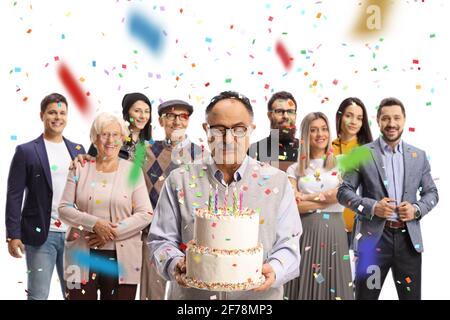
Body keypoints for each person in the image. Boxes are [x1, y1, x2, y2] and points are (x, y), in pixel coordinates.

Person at [148, 91, 302, 299]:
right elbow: (160, 240)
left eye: (238, 129)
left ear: (251, 130)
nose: (228, 139)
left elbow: (289, 244)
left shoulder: (277, 182)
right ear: (206, 130)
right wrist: (175, 264)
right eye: (219, 129)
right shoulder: (180, 180)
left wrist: (274, 269)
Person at [337, 97, 439, 300]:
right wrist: (372, 207)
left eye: (396, 118)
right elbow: (343, 192)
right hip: (373, 242)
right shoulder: (361, 154)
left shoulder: (418, 156)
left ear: (404, 120)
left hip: (408, 242)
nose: (391, 124)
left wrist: (416, 209)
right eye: (386, 118)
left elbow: (432, 193)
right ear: (378, 120)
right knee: (366, 297)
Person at [59, 112, 153, 300]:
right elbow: (64, 209)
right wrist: (95, 224)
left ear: (122, 138)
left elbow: (145, 213)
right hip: (80, 255)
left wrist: (109, 232)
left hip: (122, 257)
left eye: (116, 135)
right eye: (104, 134)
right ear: (94, 138)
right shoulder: (80, 167)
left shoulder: (133, 171)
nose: (110, 140)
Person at [5, 93, 86, 300]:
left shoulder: (78, 150)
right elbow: (14, 195)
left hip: (73, 236)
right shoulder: (26, 151)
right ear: (42, 115)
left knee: (75, 294)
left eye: (62, 113)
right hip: (41, 235)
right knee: (38, 295)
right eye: (52, 112)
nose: (57, 117)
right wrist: (13, 235)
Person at [284, 112, 354, 300]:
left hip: (335, 231)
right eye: (314, 130)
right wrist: (328, 199)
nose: (320, 134)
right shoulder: (294, 169)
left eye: (324, 129)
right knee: (304, 281)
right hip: (305, 232)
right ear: (305, 135)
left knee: (334, 283)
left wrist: (306, 196)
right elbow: (293, 206)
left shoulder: (341, 164)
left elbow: (340, 196)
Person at [140, 99, 203, 300]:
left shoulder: (202, 155)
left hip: (190, 237)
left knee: (187, 294)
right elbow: (112, 159)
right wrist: (86, 157)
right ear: (160, 120)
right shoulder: (144, 151)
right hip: (154, 234)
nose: (176, 121)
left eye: (182, 116)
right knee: (152, 295)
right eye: (170, 116)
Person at [332, 97, 373, 246]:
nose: (354, 121)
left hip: (363, 226)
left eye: (359, 118)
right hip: (332, 226)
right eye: (349, 116)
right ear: (340, 116)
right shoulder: (328, 148)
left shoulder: (370, 151)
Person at [87, 92, 152, 160]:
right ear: (126, 112)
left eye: (147, 111)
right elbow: (90, 159)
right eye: (137, 111)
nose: (143, 116)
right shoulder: (111, 133)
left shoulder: (149, 142)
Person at [249, 91, 299, 172]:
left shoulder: (307, 150)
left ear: (295, 116)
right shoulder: (253, 150)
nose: (286, 116)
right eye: (279, 111)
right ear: (269, 115)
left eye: (290, 112)